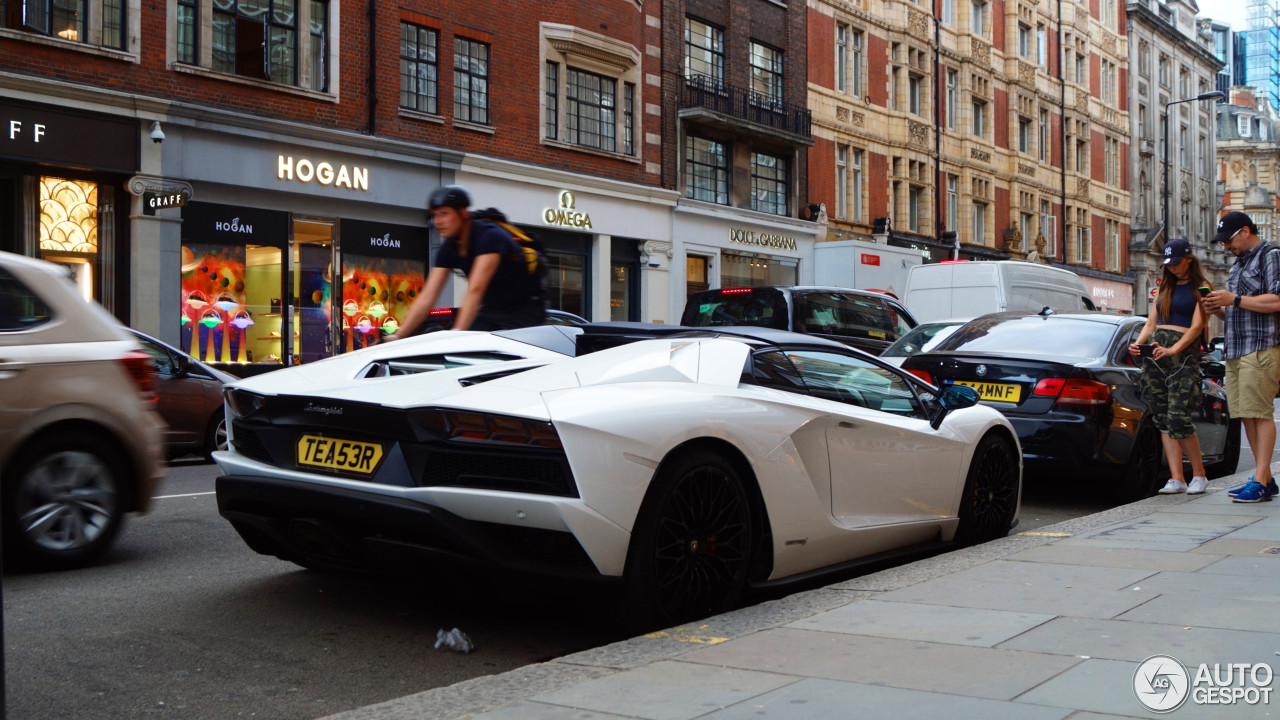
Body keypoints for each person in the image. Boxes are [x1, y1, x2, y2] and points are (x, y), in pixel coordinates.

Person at [384, 185, 546, 338]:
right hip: (492, 310)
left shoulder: (489, 237)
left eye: (444, 213)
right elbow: (427, 297)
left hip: (525, 310)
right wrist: (398, 335)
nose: (437, 221)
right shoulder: (449, 247)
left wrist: (457, 334)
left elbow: (475, 290)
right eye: (434, 215)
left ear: (463, 213)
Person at [1202, 211, 1280, 503]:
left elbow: (1276, 300)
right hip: (1236, 349)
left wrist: (1233, 298)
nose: (1226, 246)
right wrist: (1217, 306)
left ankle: (1260, 480)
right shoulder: (1238, 265)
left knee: (1259, 413)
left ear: (1245, 231)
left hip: (1260, 346)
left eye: (1229, 240)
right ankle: (1265, 479)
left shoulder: (1270, 255)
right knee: (1246, 413)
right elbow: (1236, 310)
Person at [1129, 238, 1210, 494]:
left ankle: (1199, 474)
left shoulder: (1204, 286)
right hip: (1156, 356)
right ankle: (1177, 478)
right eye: (1169, 264)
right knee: (1162, 417)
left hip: (1182, 358)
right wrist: (1138, 343)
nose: (1172, 268)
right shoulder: (1166, 286)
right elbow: (1151, 323)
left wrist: (1175, 349)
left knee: (1178, 416)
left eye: (1176, 263)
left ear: (1189, 259)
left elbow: (1198, 326)